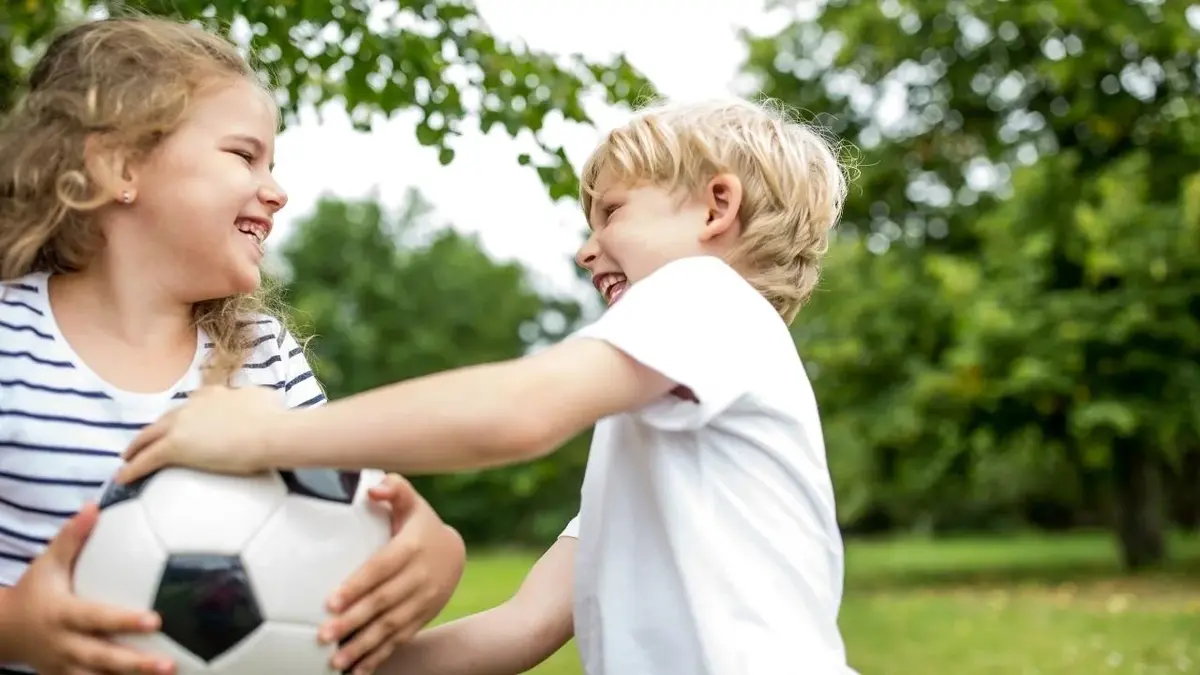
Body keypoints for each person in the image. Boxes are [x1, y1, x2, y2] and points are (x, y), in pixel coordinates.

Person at [118, 97, 858, 675]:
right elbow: (521, 626)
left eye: (611, 212)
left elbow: (519, 411)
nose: (586, 247)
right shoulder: (659, 438)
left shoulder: (708, 297)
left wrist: (261, 435)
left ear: (715, 209)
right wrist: (303, 660)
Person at [0, 17, 464, 675]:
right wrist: (19, 625)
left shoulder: (262, 356)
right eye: (244, 156)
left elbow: (360, 512)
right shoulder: (11, 340)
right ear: (120, 164)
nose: (276, 190)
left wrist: (434, 554)